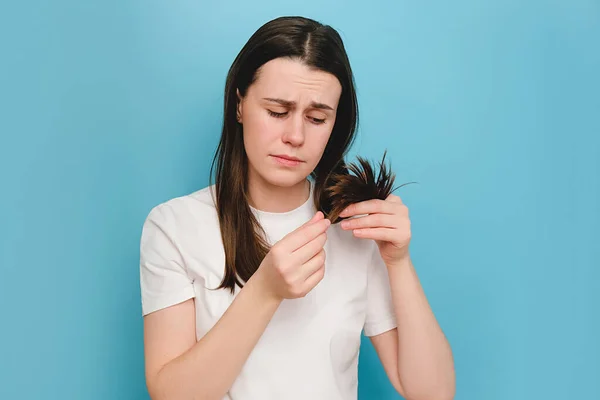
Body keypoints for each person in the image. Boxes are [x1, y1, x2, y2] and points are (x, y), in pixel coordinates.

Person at [139, 16, 455, 400]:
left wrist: (399, 262)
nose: (295, 136)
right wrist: (265, 291)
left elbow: (433, 393)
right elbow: (172, 394)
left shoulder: (354, 226)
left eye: (317, 118)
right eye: (276, 112)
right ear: (239, 105)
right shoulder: (174, 226)